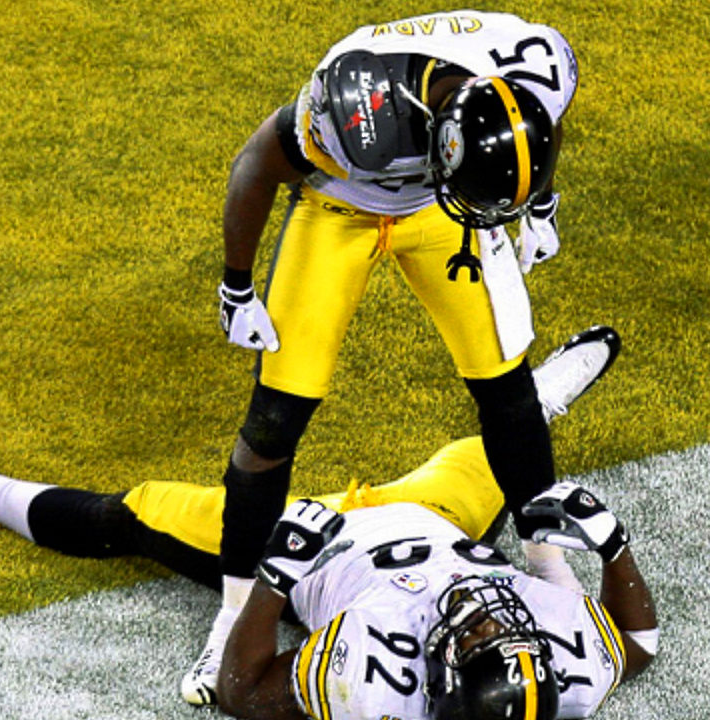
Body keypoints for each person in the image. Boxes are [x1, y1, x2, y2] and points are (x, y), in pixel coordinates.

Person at [0, 327, 654, 717]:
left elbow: (241, 688)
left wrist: (276, 574)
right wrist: (608, 544)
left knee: (131, 514)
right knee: (501, 446)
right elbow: (639, 645)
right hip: (440, 515)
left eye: (476, 637)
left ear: (443, 673)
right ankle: (536, 400)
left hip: (323, 546)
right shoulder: (560, 675)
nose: (490, 615)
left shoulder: (371, 690)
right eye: (504, 631)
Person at [212, 10, 581, 704]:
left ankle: (548, 563)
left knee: (509, 389)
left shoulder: (543, 68)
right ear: (438, 140)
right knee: (276, 417)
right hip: (342, 204)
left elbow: (545, 123)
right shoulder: (356, 109)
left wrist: (537, 200)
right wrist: (238, 284)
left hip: (438, 208)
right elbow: (257, 161)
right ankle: (233, 608)